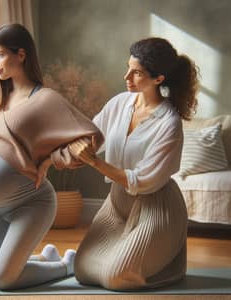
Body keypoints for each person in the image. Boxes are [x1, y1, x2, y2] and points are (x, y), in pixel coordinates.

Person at [0, 23, 103, 291]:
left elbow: (91, 137)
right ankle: (45, 258)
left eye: (0, 55)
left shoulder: (46, 99)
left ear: (21, 55)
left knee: (4, 279)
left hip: (31, 203)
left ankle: (66, 265)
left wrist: (51, 160)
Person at [68, 37, 199, 290]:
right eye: (128, 67)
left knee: (117, 278)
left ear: (158, 79)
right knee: (82, 271)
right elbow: (93, 137)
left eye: (136, 72)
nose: (127, 76)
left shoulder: (168, 123)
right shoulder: (119, 103)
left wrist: (93, 161)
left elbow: (142, 181)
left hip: (157, 206)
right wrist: (74, 149)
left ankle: (166, 263)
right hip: (118, 202)